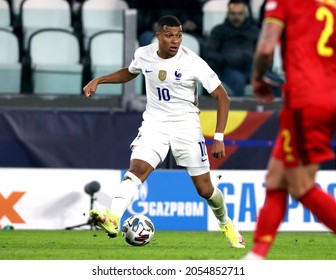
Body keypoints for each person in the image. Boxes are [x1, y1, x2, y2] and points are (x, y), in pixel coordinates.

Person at [83, 15, 245, 249]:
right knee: (136, 170)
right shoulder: (144, 54)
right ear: (158, 36)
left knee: (205, 189)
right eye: (169, 35)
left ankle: (226, 224)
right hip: (154, 123)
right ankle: (113, 218)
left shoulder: (193, 62)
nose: (175, 40)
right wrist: (100, 80)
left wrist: (219, 137)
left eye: (179, 35)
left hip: (186, 126)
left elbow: (223, 97)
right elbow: (130, 71)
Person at [243, 0, 336, 260]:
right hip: (326, 98)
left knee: (301, 186)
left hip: (304, 100)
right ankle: (256, 258)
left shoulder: (285, 2)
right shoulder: (330, 8)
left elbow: (265, 48)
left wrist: (257, 77)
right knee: (277, 178)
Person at [204, 0, 259, 97]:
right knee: (237, 80)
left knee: (273, 81)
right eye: (233, 13)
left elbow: (262, 51)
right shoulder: (218, 31)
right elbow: (209, 52)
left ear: (245, 14)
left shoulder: (254, 31)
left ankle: (273, 111)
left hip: (252, 68)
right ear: (228, 14)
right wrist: (224, 60)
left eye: (240, 13)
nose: (236, 17)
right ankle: (241, 111)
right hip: (228, 69)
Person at [129, 0, 203, 47]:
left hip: (184, 31)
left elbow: (197, 16)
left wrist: (193, 23)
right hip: (152, 31)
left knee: (201, 44)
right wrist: (152, 25)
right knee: (147, 41)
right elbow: (138, 19)